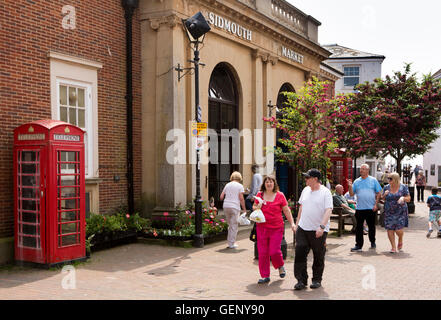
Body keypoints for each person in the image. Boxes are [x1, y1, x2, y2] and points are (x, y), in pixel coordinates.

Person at [293, 169, 333, 290]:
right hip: (303, 228)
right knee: (300, 253)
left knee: (318, 255)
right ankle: (301, 280)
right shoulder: (305, 190)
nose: (305, 179)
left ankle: (316, 280)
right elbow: (301, 207)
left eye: (307, 177)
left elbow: (328, 210)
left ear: (315, 179)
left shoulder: (325, 192)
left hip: (318, 230)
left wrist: (321, 226)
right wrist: (297, 224)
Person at [253, 175, 295, 284]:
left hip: (276, 227)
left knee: (274, 251)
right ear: (264, 184)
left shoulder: (280, 195)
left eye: (271, 182)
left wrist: (292, 224)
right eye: (267, 182)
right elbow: (254, 207)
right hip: (261, 227)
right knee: (262, 253)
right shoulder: (259, 195)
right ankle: (265, 276)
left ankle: (280, 265)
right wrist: (258, 205)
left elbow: (286, 210)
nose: (269, 184)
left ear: (274, 183)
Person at [347, 163, 382, 252]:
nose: (361, 170)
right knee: (359, 228)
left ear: (367, 170)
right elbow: (351, 194)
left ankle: (372, 241)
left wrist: (376, 204)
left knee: (371, 227)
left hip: (371, 208)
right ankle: (358, 245)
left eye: (363, 169)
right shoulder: (357, 181)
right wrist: (350, 186)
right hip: (359, 208)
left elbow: (379, 193)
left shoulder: (373, 180)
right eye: (361, 169)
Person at [380, 172, 410, 253]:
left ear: (395, 179)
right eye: (388, 178)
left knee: (398, 230)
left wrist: (403, 198)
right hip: (389, 211)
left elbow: (409, 198)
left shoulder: (403, 187)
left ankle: (400, 239)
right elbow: (382, 199)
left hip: (400, 211)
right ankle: (393, 247)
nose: (388, 180)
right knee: (390, 229)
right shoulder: (386, 187)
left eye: (390, 178)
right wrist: (384, 195)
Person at [220, 171, 247, 249]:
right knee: (234, 225)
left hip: (226, 206)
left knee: (230, 224)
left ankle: (230, 241)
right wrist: (244, 209)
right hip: (234, 206)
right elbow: (241, 198)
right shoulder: (240, 186)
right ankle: (231, 244)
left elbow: (221, 197)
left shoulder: (227, 185)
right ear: (239, 178)